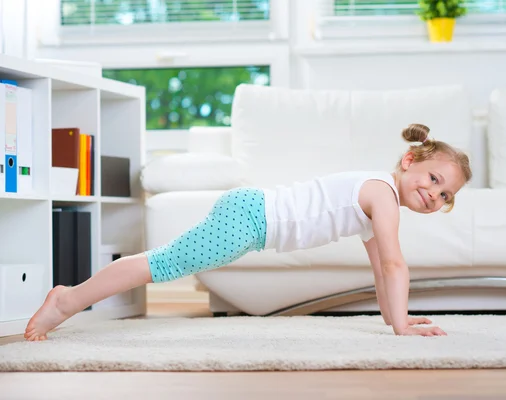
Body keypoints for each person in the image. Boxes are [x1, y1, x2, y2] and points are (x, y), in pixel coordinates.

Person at [25, 123, 472, 341]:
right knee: (164, 264)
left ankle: (70, 297)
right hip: (251, 219)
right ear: (410, 161)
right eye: (434, 180)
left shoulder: (378, 199)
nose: (436, 195)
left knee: (166, 261)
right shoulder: (381, 194)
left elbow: (380, 270)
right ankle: (67, 299)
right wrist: (401, 331)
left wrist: (397, 319)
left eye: (446, 195)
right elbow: (395, 264)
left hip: (250, 216)